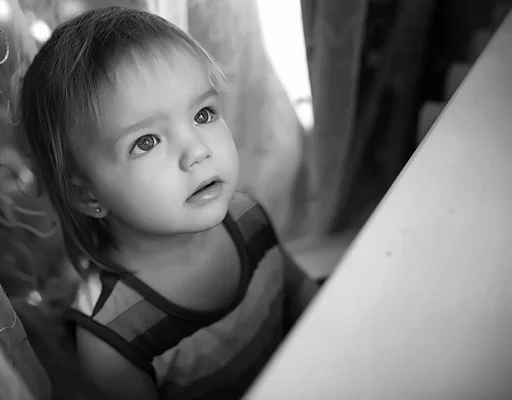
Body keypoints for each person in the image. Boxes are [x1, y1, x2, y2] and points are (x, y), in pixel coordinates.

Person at [19, 5, 319, 399]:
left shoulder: (247, 216)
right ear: (86, 194)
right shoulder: (113, 339)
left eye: (203, 113)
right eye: (146, 141)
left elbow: (303, 298)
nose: (196, 150)